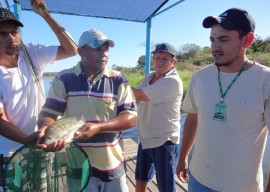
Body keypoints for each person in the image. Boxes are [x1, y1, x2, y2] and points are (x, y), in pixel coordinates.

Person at [176, 8, 270, 192]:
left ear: (247, 40)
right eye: (212, 39)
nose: (214, 47)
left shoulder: (265, 81)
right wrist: (182, 158)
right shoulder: (199, 78)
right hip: (197, 180)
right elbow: (192, 118)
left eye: (223, 39)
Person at [37, 28, 137, 192]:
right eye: (97, 48)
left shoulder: (119, 79)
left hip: (112, 164)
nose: (104, 53)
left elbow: (131, 117)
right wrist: (45, 128)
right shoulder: (63, 78)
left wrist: (98, 128)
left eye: (106, 49)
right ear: (80, 51)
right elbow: (49, 113)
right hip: (77, 165)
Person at [0, 0, 77, 156]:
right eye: (2, 34)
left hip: (41, 141)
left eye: (14, 32)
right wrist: (26, 138)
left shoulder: (32, 52)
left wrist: (45, 15)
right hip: (9, 151)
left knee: (42, 181)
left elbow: (72, 49)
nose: (11, 38)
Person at [132, 43, 183, 192]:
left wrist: (116, 82)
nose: (160, 62)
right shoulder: (150, 76)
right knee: (141, 177)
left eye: (165, 59)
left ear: (174, 62)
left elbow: (139, 95)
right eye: (157, 58)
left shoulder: (172, 81)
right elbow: (135, 96)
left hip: (164, 141)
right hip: (146, 137)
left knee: (166, 186)